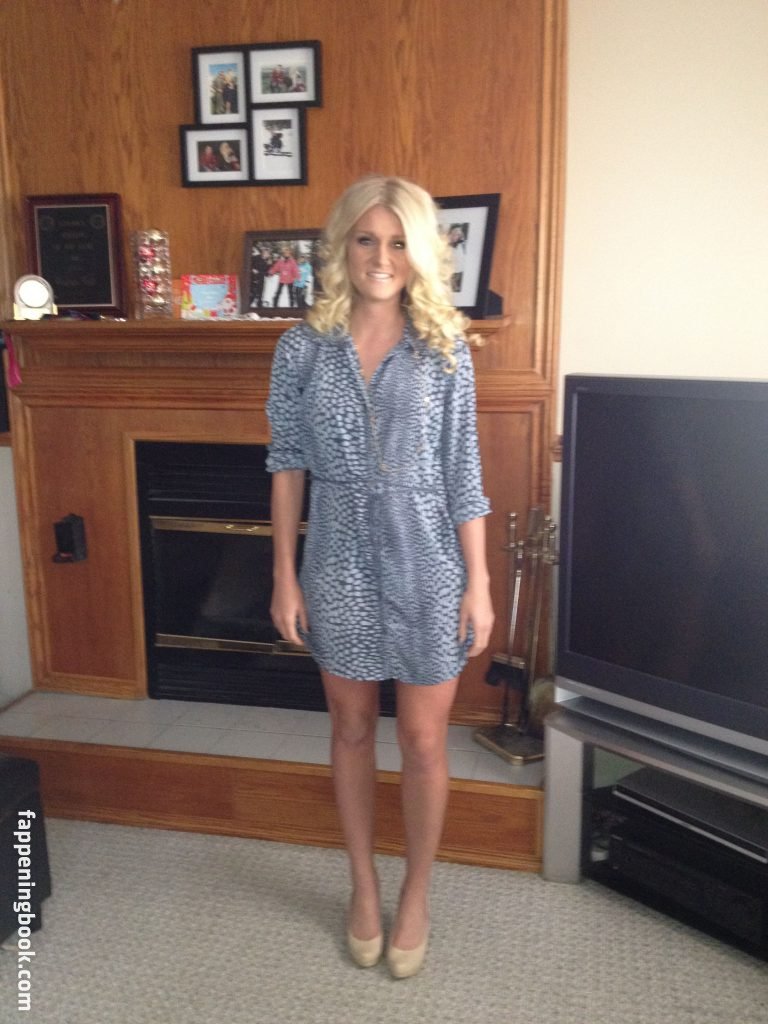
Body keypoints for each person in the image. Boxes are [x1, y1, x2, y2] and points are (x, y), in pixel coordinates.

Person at [266, 175, 493, 979]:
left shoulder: (444, 348)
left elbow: (464, 473)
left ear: (420, 253)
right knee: (353, 728)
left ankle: (416, 893)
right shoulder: (300, 348)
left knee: (425, 739)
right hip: (336, 562)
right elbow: (287, 466)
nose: (381, 257)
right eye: (366, 239)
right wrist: (284, 576)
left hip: (428, 561)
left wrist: (479, 582)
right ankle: (363, 886)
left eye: (398, 242)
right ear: (342, 246)